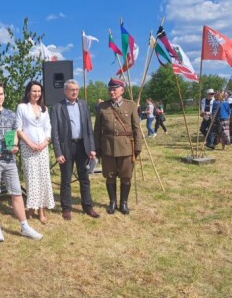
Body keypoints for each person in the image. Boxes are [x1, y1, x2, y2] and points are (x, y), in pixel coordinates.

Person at [0, 80, 43, 242]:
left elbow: (13, 137)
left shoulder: (11, 114)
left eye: (1, 94)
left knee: (17, 193)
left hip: (9, 160)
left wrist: (14, 146)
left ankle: (24, 226)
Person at [50, 79, 100, 220]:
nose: (75, 92)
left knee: (84, 178)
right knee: (66, 179)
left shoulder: (83, 105)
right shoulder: (57, 107)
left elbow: (89, 129)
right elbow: (54, 133)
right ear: (65, 91)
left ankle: (88, 207)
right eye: (72, 90)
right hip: (66, 147)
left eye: (76, 89)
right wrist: (58, 152)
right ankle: (66, 208)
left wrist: (92, 148)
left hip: (82, 147)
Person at [94, 78, 143, 215]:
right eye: (110, 89)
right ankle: (112, 202)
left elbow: (136, 128)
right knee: (109, 176)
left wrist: (137, 147)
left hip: (126, 147)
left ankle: (124, 203)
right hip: (108, 147)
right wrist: (97, 147)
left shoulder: (131, 105)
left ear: (122, 90)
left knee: (126, 176)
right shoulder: (102, 107)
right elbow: (97, 129)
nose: (112, 91)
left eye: (115, 88)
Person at [16, 81, 55, 224]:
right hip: (28, 148)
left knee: (43, 178)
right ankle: (31, 207)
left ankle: (42, 210)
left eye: (39, 91)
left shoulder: (44, 109)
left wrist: (45, 142)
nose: (36, 94)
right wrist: (30, 144)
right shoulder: (22, 107)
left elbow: (48, 128)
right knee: (31, 178)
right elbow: (19, 129)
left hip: (43, 148)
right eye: (34, 91)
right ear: (28, 92)